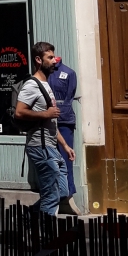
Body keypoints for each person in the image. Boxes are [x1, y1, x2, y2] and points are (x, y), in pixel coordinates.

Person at [15, 42, 76, 216]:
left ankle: (28, 217)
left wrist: (65, 145)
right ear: (38, 60)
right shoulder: (31, 85)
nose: (54, 61)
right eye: (50, 57)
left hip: (51, 147)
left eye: (54, 57)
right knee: (51, 195)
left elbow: (51, 123)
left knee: (62, 191)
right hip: (40, 147)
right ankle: (45, 230)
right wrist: (46, 113)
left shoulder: (46, 84)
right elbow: (19, 112)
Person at [48, 55, 78, 205]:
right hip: (46, 118)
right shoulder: (42, 74)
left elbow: (70, 96)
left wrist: (60, 112)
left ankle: (68, 193)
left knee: (66, 158)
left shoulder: (69, 73)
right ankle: (52, 193)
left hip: (63, 119)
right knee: (48, 159)